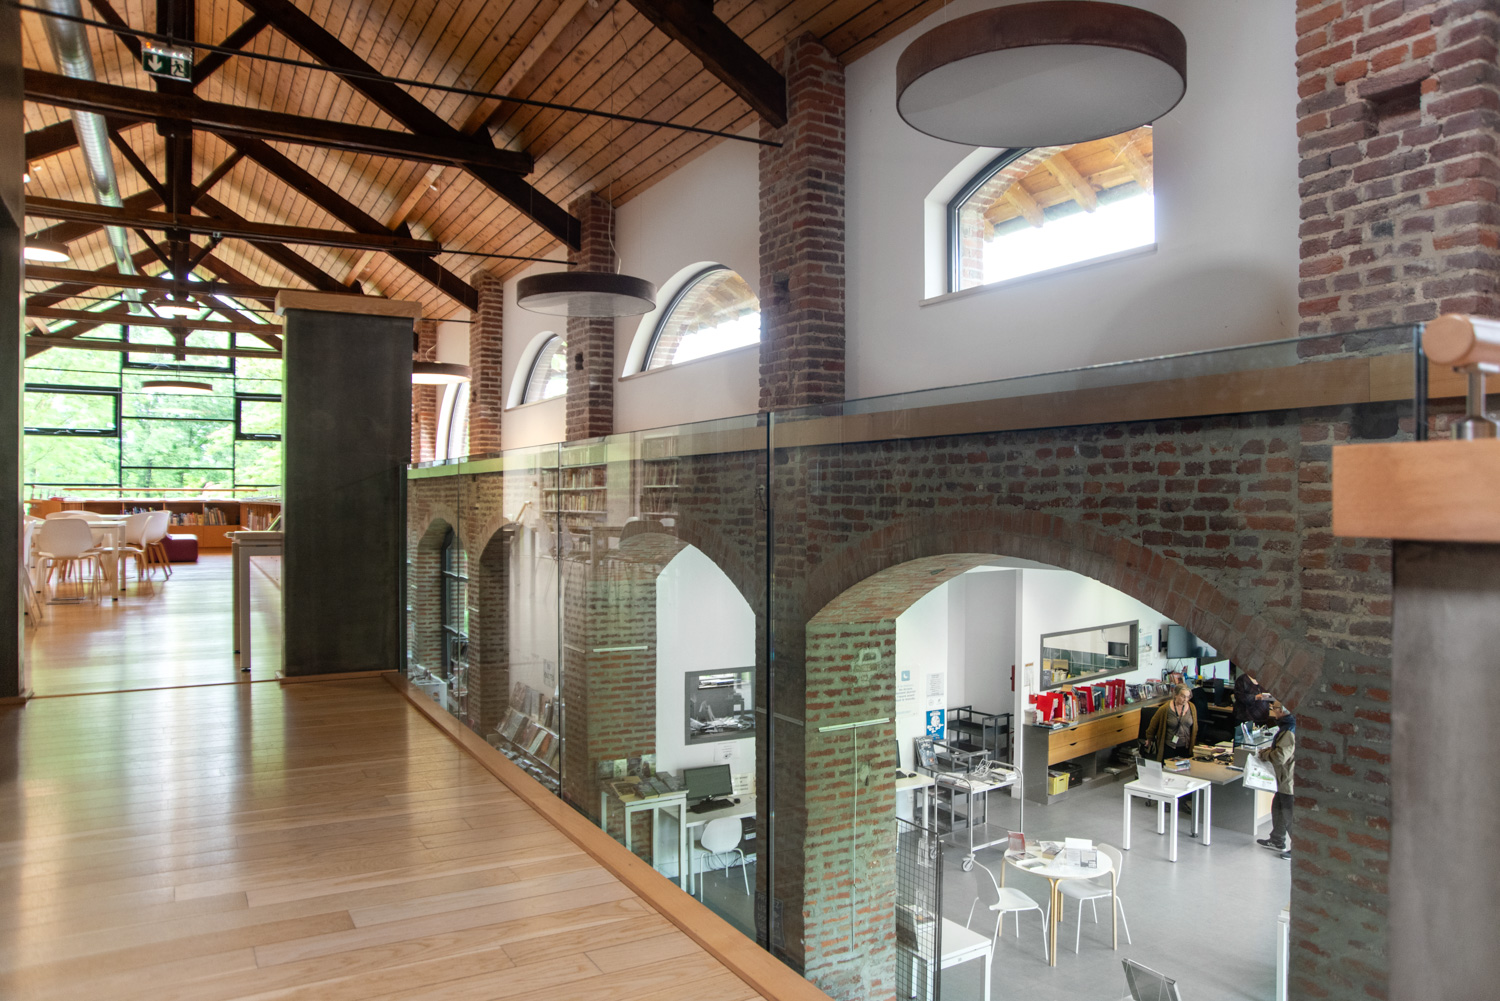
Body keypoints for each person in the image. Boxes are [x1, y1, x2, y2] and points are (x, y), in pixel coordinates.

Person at [1257, 704, 1296, 859]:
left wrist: (1265, 755)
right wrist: (1268, 751)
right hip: (1285, 778)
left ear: (1281, 711)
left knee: (1289, 814)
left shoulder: (1289, 730)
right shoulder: (1289, 725)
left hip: (1289, 779)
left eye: (1274, 708)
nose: (1272, 710)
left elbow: (1280, 757)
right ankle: (1277, 840)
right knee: (1278, 807)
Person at [1143, 684, 1198, 763]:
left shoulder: (1192, 707)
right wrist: (1149, 739)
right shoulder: (1165, 708)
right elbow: (1153, 725)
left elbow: (1195, 726)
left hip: (1186, 746)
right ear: (1175, 695)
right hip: (1169, 746)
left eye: (1188, 697)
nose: (1185, 699)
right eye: (1183, 696)